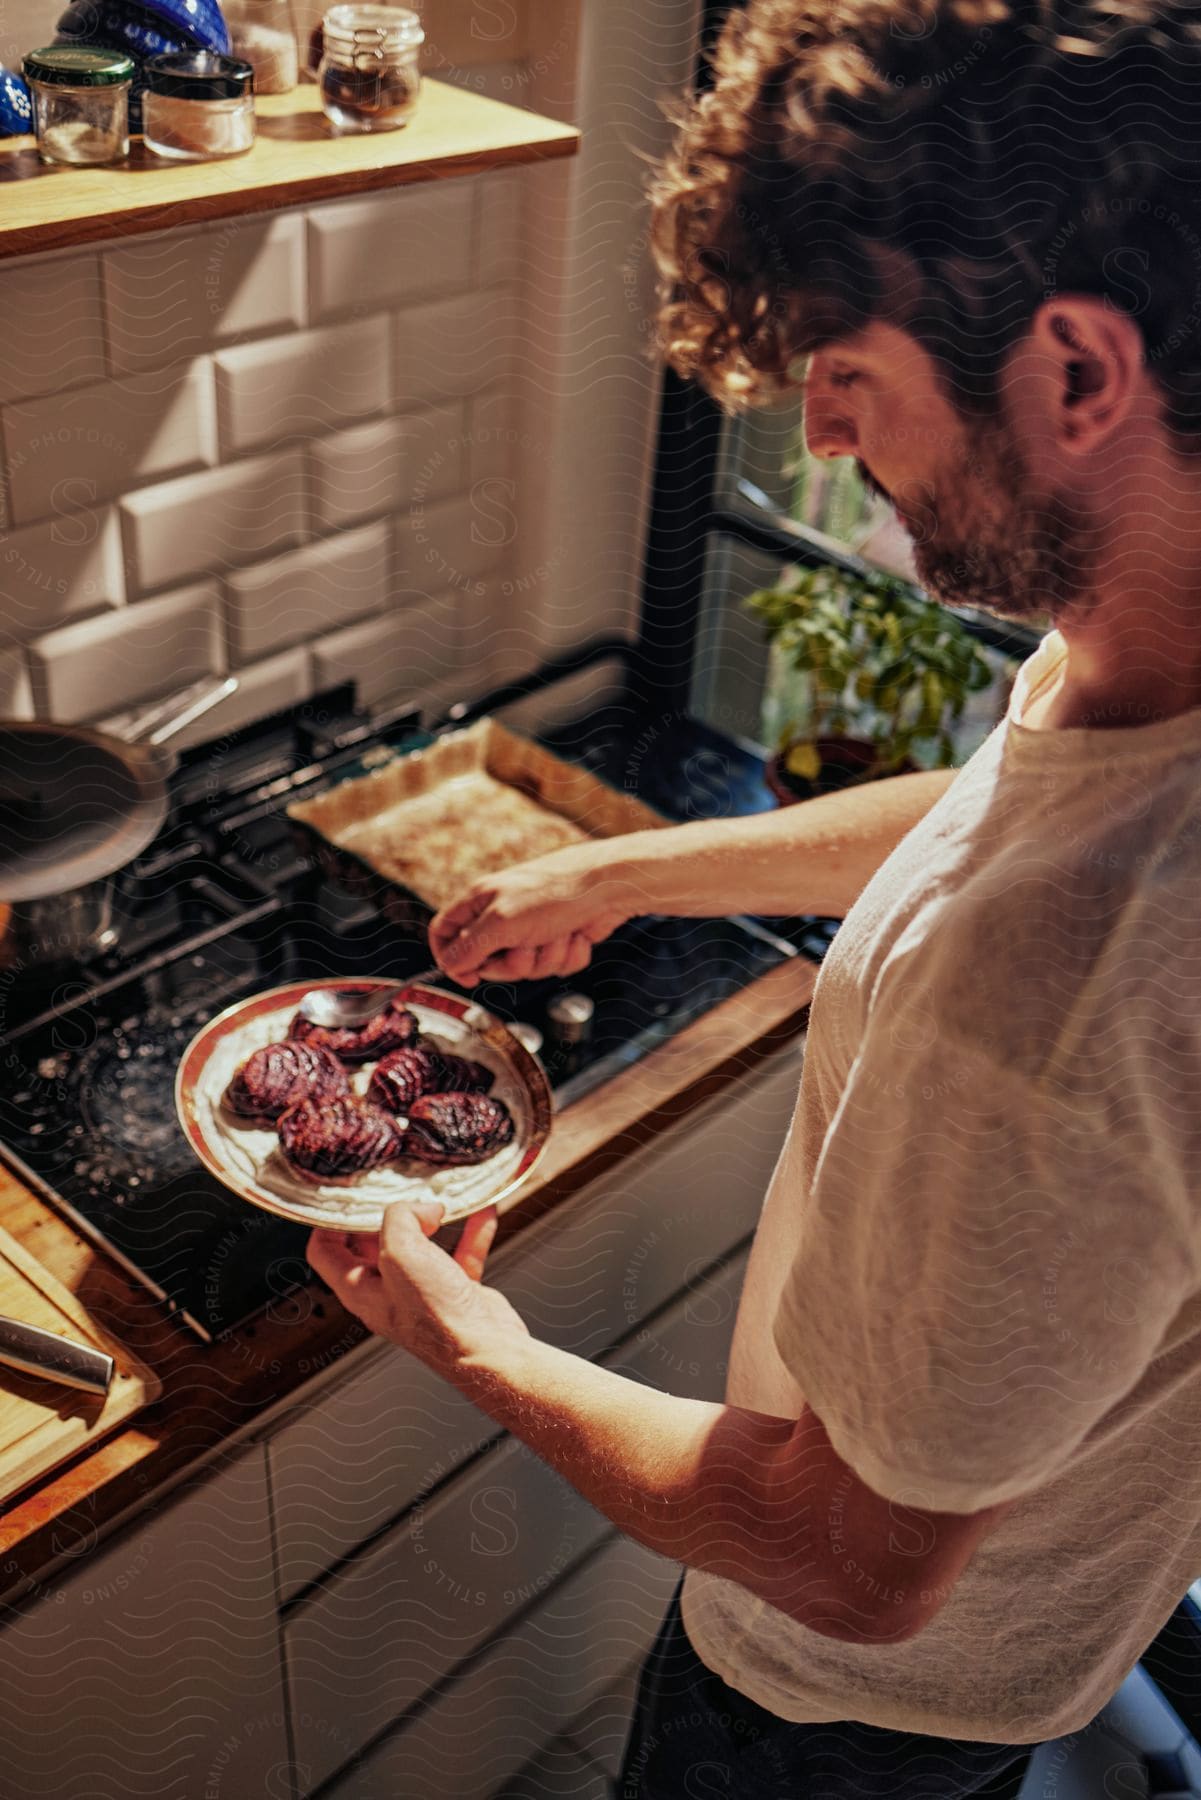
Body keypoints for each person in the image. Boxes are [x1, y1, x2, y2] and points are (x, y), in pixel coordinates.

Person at [307, 2, 1201, 1794]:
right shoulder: (1139, 670)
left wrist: (470, 1340)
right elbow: (1000, 809)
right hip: (1067, 1596)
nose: (818, 431)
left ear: (1077, 373)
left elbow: (853, 1566)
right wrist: (633, 868)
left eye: (849, 369)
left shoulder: (1045, 983)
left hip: (848, 1708)